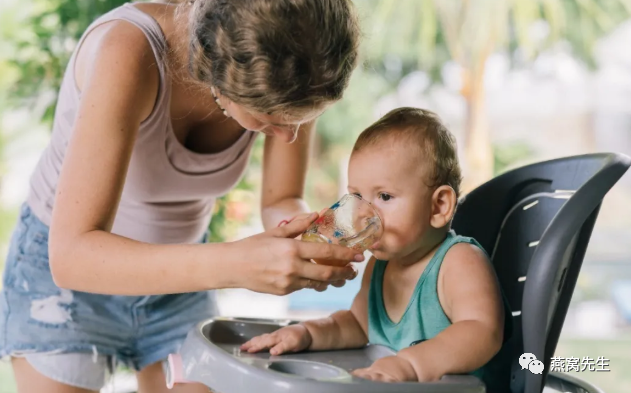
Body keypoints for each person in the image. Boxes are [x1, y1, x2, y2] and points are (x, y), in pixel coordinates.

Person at [0, 0, 363, 392]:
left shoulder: (297, 65)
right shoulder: (128, 52)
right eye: (271, 121)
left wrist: (306, 241)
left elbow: (281, 199)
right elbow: (71, 256)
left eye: (301, 120)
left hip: (179, 282)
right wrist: (239, 264)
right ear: (217, 71)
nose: (289, 136)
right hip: (66, 287)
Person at [241, 108, 513, 392]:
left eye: (384, 196)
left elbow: (483, 331)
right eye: (356, 196)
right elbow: (357, 325)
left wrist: (410, 365)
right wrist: (307, 333)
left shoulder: (459, 261)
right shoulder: (380, 266)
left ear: (438, 206)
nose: (361, 213)